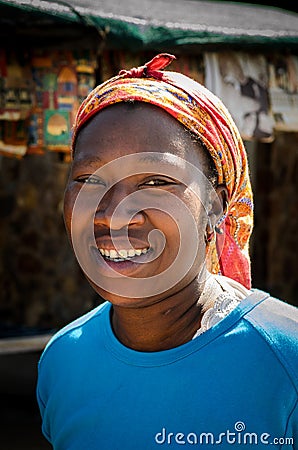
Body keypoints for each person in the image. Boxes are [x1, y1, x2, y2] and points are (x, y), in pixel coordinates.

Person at [36, 54, 298, 449]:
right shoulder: (62, 362)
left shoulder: (286, 359)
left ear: (215, 207)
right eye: (89, 179)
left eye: (155, 181)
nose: (114, 216)